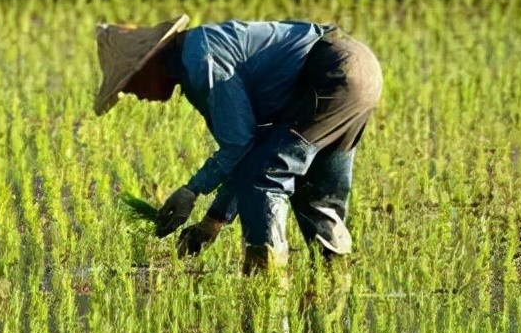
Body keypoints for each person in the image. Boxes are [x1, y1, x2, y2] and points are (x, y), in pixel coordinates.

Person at [94, 15, 383, 273]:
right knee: (316, 196)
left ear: (149, 63)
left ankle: (265, 286)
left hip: (331, 73)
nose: (134, 95)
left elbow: (240, 145)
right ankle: (335, 281)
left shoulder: (201, 60)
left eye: (129, 84)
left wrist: (191, 190)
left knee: (266, 175)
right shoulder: (197, 52)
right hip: (359, 68)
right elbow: (247, 149)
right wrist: (213, 222)